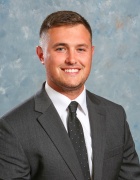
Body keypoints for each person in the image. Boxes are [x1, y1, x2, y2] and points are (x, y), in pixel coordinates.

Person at [0, 10, 140, 180]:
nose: (72, 59)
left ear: (91, 53)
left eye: (81, 49)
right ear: (41, 55)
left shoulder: (115, 115)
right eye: (61, 48)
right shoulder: (13, 128)